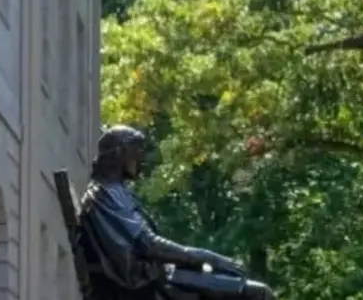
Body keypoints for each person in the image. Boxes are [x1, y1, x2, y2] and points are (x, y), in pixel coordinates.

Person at [79, 125, 276, 300]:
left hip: (156, 278)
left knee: (242, 284)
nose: (142, 158)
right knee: (258, 294)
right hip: (148, 285)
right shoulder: (106, 193)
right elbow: (148, 244)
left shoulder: (114, 191)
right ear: (120, 153)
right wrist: (207, 257)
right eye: (137, 150)